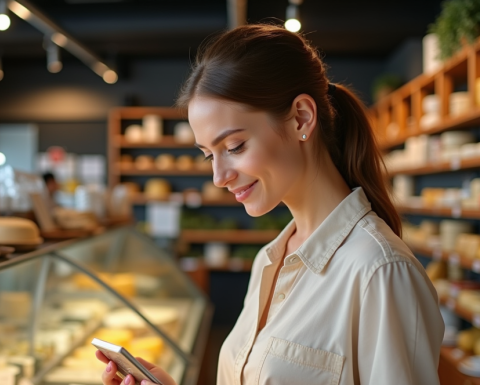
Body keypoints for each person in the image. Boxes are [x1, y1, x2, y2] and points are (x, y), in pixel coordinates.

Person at [97, 24, 444, 385]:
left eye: (234, 147)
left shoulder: (380, 272)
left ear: (301, 118)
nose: (219, 177)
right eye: (208, 156)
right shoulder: (268, 260)